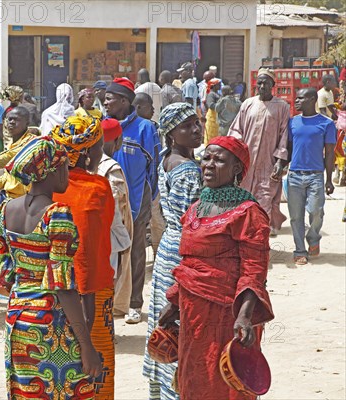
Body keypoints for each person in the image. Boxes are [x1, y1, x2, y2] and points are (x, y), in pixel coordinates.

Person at [159, 135, 274, 400]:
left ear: (237, 169)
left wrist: (244, 316)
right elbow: (189, 264)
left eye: (219, 160)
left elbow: (254, 272)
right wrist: (175, 302)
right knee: (194, 378)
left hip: (228, 316)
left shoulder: (248, 213)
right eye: (206, 158)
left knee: (225, 383)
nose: (209, 165)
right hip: (193, 314)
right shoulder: (197, 208)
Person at [0, 136, 102, 399]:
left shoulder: (5, 210)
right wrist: (86, 345)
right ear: (49, 171)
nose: (67, 173)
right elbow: (62, 285)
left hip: (17, 321)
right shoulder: (57, 213)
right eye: (64, 166)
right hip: (51, 322)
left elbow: (5, 276)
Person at [51, 116, 116, 397]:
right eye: (100, 145)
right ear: (88, 153)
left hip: (52, 294)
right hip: (90, 297)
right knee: (94, 379)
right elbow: (89, 255)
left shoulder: (43, 189)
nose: (102, 150)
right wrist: (86, 330)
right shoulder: (97, 190)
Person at [142, 103, 202, 400]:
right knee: (180, 323)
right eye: (186, 126)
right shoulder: (189, 170)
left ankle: (163, 387)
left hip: (168, 245)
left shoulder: (168, 159)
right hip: (184, 249)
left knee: (164, 325)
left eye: (197, 122)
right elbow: (195, 220)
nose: (196, 129)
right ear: (170, 134)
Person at [106, 77, 161, 325]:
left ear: (125, 101)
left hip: (137, 201)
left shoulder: (145, 129)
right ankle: (111, 301)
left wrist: (148, 199)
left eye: (110, 99)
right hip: (106, 201)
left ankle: (134, 303)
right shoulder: (103, 126)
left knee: (136, 252)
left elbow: (155, 167)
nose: (105, 103)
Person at [229, 68, 290, 236]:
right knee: (244, 202)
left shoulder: (282, 107)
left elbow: (284, 135)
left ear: (273, 85)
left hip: (268, 165)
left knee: (264, 204)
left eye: (266, 83)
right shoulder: (248, 104)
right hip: (246, 164)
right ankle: (246, 241)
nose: (262, 86)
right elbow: (236, 130)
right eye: (259, 83)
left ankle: (260, 243)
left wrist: (280, 162)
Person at [287, 88, 336, 266]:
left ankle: (313, 238)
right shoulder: (292, 122)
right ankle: (300, 251)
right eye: (296, 97)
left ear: (312, 99)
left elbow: (329, 153)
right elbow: (289, 149)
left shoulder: (327, 124)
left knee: (316, 212)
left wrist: (329, 179)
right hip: (294, 176)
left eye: (301, 98)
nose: (297, 101)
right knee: (295, 216)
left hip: (316, 176)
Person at [97, 118, 133, 317]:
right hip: (110, 238)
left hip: (94, 235)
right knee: (107, 284)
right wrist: (125, 240)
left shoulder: (88, 162)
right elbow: (114, 209)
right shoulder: (111, 168)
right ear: (118, 140)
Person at [0, 107, 37, 205]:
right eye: (9, 119)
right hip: (6, 196)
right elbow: (8, 176)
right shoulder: (10, 144)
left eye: (16, 119)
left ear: (27, 123)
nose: (11, 122)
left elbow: (8, 157)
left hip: (22, 199)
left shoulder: (31, 142)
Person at [132, 93, 165, 256]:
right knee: (155, 219)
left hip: (146, 183)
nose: (153, 109)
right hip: (148, 183)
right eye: (149, 106)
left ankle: (157, 253)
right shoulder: (146, 127)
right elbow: (154, 158)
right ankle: (157, 252)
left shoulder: (152, 126)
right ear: (138, 107)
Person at [204, 78, 222, 145]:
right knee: (211, 134)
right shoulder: (211, 94)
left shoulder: (216, 93)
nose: (220, 86)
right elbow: (210, 105)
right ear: (213, 86)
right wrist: (221, 106)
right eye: (218, 84)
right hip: (212, 117)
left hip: (216, 116)